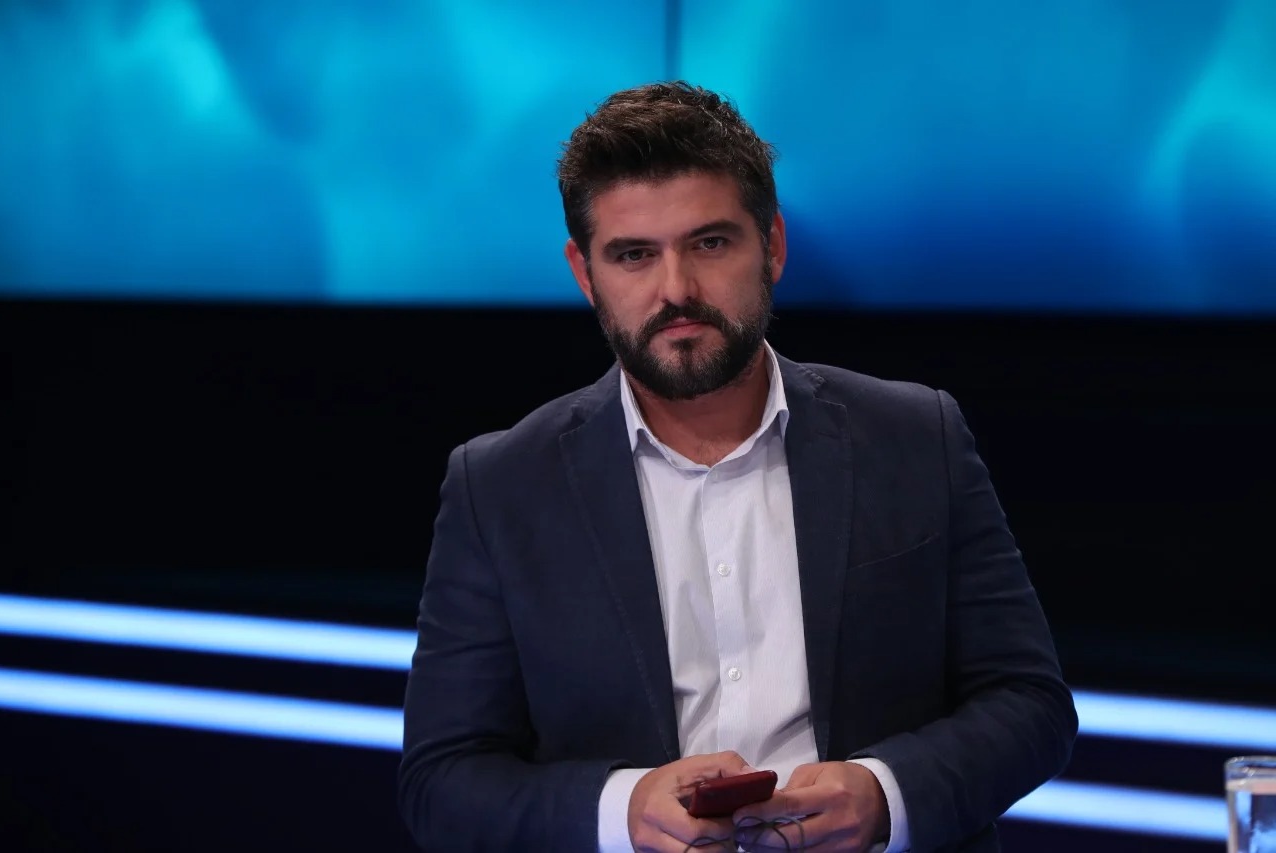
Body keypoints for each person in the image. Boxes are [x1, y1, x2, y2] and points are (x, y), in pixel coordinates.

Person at [398, 81, 1077, 852]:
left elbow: (1032, 703)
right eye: (633, 255)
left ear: (774, 245)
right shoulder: (500, 487)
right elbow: (442, 781)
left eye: (710, 243)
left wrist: (885, 795)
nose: (676, 290)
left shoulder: (917, 438)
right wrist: (624, 811)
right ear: (585, 274)